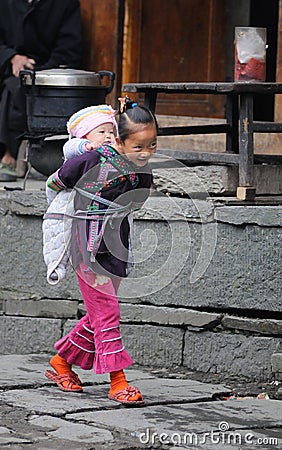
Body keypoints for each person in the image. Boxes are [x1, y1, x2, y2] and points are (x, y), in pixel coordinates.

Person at [44, 97, 158, 405]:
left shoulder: (141, 170)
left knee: (98, 313)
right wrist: (73, 202)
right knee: (107, 311)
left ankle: (61, 362)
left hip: (116, 245)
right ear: (122, 141)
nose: (145, 153)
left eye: (151, 146)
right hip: (89, 246)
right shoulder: (92, 160)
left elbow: (140, 197)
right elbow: (56, 182)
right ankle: (118, 380)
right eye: (139, 147)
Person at [0, 0, 82, 181]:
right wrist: (11, 57)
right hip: (7, 66)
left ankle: (16, 157)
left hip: (46, 69)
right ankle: (8, 155)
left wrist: (42, 73)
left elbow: (69, 48)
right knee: (12, 86)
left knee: (22, 88)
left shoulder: (65, 4)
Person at [43, 104, 118, 284]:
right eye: (102, 131)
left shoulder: (110, 154)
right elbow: (71, 147)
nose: (108, 136)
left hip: (99, 205)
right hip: (69, 197)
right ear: (85, 134)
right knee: (59, 233)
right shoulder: (82, 149)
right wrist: (88, 145)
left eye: (111, 132)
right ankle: (56, 266)